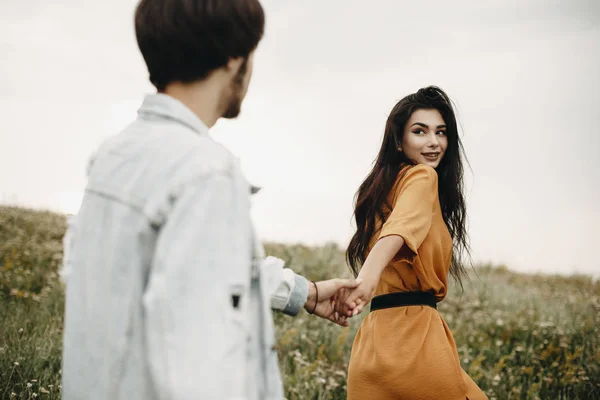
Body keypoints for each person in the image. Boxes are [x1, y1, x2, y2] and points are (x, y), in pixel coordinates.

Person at [59, 1, 360, 399]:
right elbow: (198, 365)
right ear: (236, 60)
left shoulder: (115, 156)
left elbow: (200, 275)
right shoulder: (206, 174)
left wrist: (308, 293)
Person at [336, 86, 488, 399]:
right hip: (415, 338)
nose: (434, 142)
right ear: (398, 140)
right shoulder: (422, 178)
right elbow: (400, 229)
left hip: (371, 345)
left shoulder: (379, 190)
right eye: (420, 131)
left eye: (441, 132)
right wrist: (366, 278)